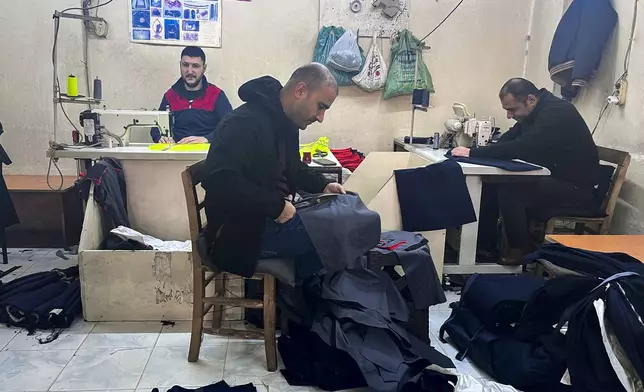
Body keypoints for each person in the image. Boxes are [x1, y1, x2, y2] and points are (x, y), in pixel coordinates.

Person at [201, 63, 345, 279]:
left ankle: (303, 305)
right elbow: (219, 179)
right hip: (236, 235)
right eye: (321, 106)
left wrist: (323, 185)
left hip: (262, 220)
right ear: (300, 91)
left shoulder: (286, 122)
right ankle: (307, 306)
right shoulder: (244, 122)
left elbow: (293, 168)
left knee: (340, 216)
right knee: (334, 235)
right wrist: (276, 207)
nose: (321, 117)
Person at [452, 78, 600, 264]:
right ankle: (484, 248)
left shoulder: (557, 112)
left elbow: (521, 147)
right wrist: (481, 152)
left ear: (530, 99)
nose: (509, 115)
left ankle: (519, 250)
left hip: (577, 188)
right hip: (554, 178)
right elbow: (511, 137)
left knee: (512, 191)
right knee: (487, 184)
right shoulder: (535, 111)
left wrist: (472, 152)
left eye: (512, 110)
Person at [151, 46, 233, 144]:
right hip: (177, 153)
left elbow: (230, 126)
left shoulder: (216, 94)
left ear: (204, 68)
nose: (190, 71)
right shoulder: (170, 95)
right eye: (185, 65)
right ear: (180, 66)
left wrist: (207, 139)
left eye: (195, 66)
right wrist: (160, 138)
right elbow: (155, 127)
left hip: (208, 153)